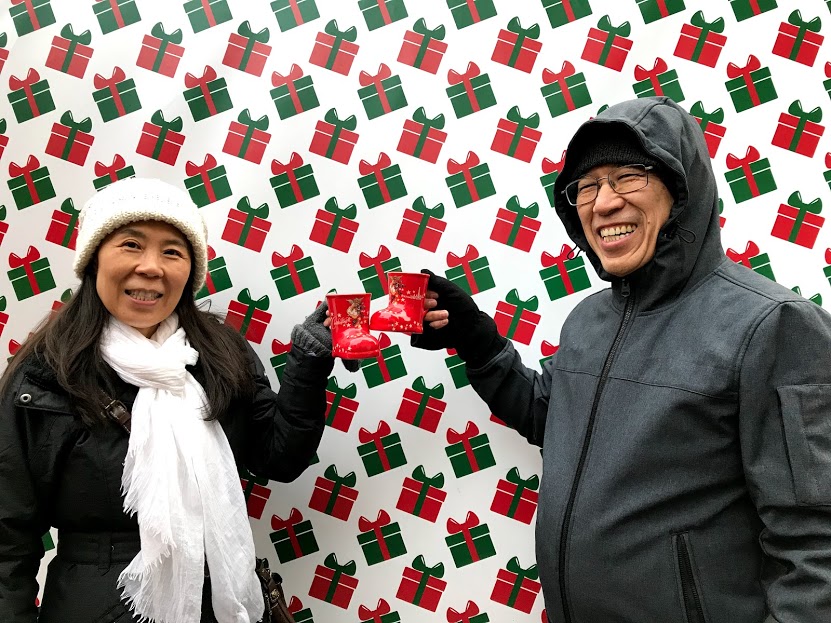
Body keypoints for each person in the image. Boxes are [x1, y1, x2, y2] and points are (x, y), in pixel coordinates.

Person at [416, 96, 831, 623]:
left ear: (681, 193)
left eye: (628, 177)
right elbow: (552, 418)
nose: (603, 203)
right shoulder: (588, 321)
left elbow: (817, 547)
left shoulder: (773, 325)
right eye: (587, 186)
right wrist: (477, 341)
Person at [0, 178, 344, 623]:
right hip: (96, 605)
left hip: (219, 602)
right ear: (93, 259)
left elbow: (279, 457)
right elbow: (8, 535)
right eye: (130, 244)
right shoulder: (48, 370)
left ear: (190, 270)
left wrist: (308, 367)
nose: (151, 267)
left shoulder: (220, 353)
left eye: (172, 251)